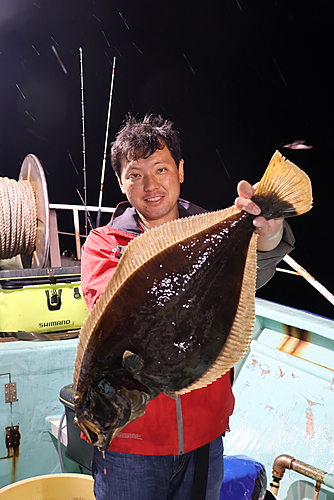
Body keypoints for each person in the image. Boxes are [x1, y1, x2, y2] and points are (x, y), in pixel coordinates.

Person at [81, 114, 295, 500]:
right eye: (135, 174)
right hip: (132, 446)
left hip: (204, 438)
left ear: (180, 170)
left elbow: (249, 278)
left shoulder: (211, 227)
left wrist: (268, 232)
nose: (150, 185)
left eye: (161, 169)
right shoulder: (103, 243)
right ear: (121, 182)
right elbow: (114, 312)